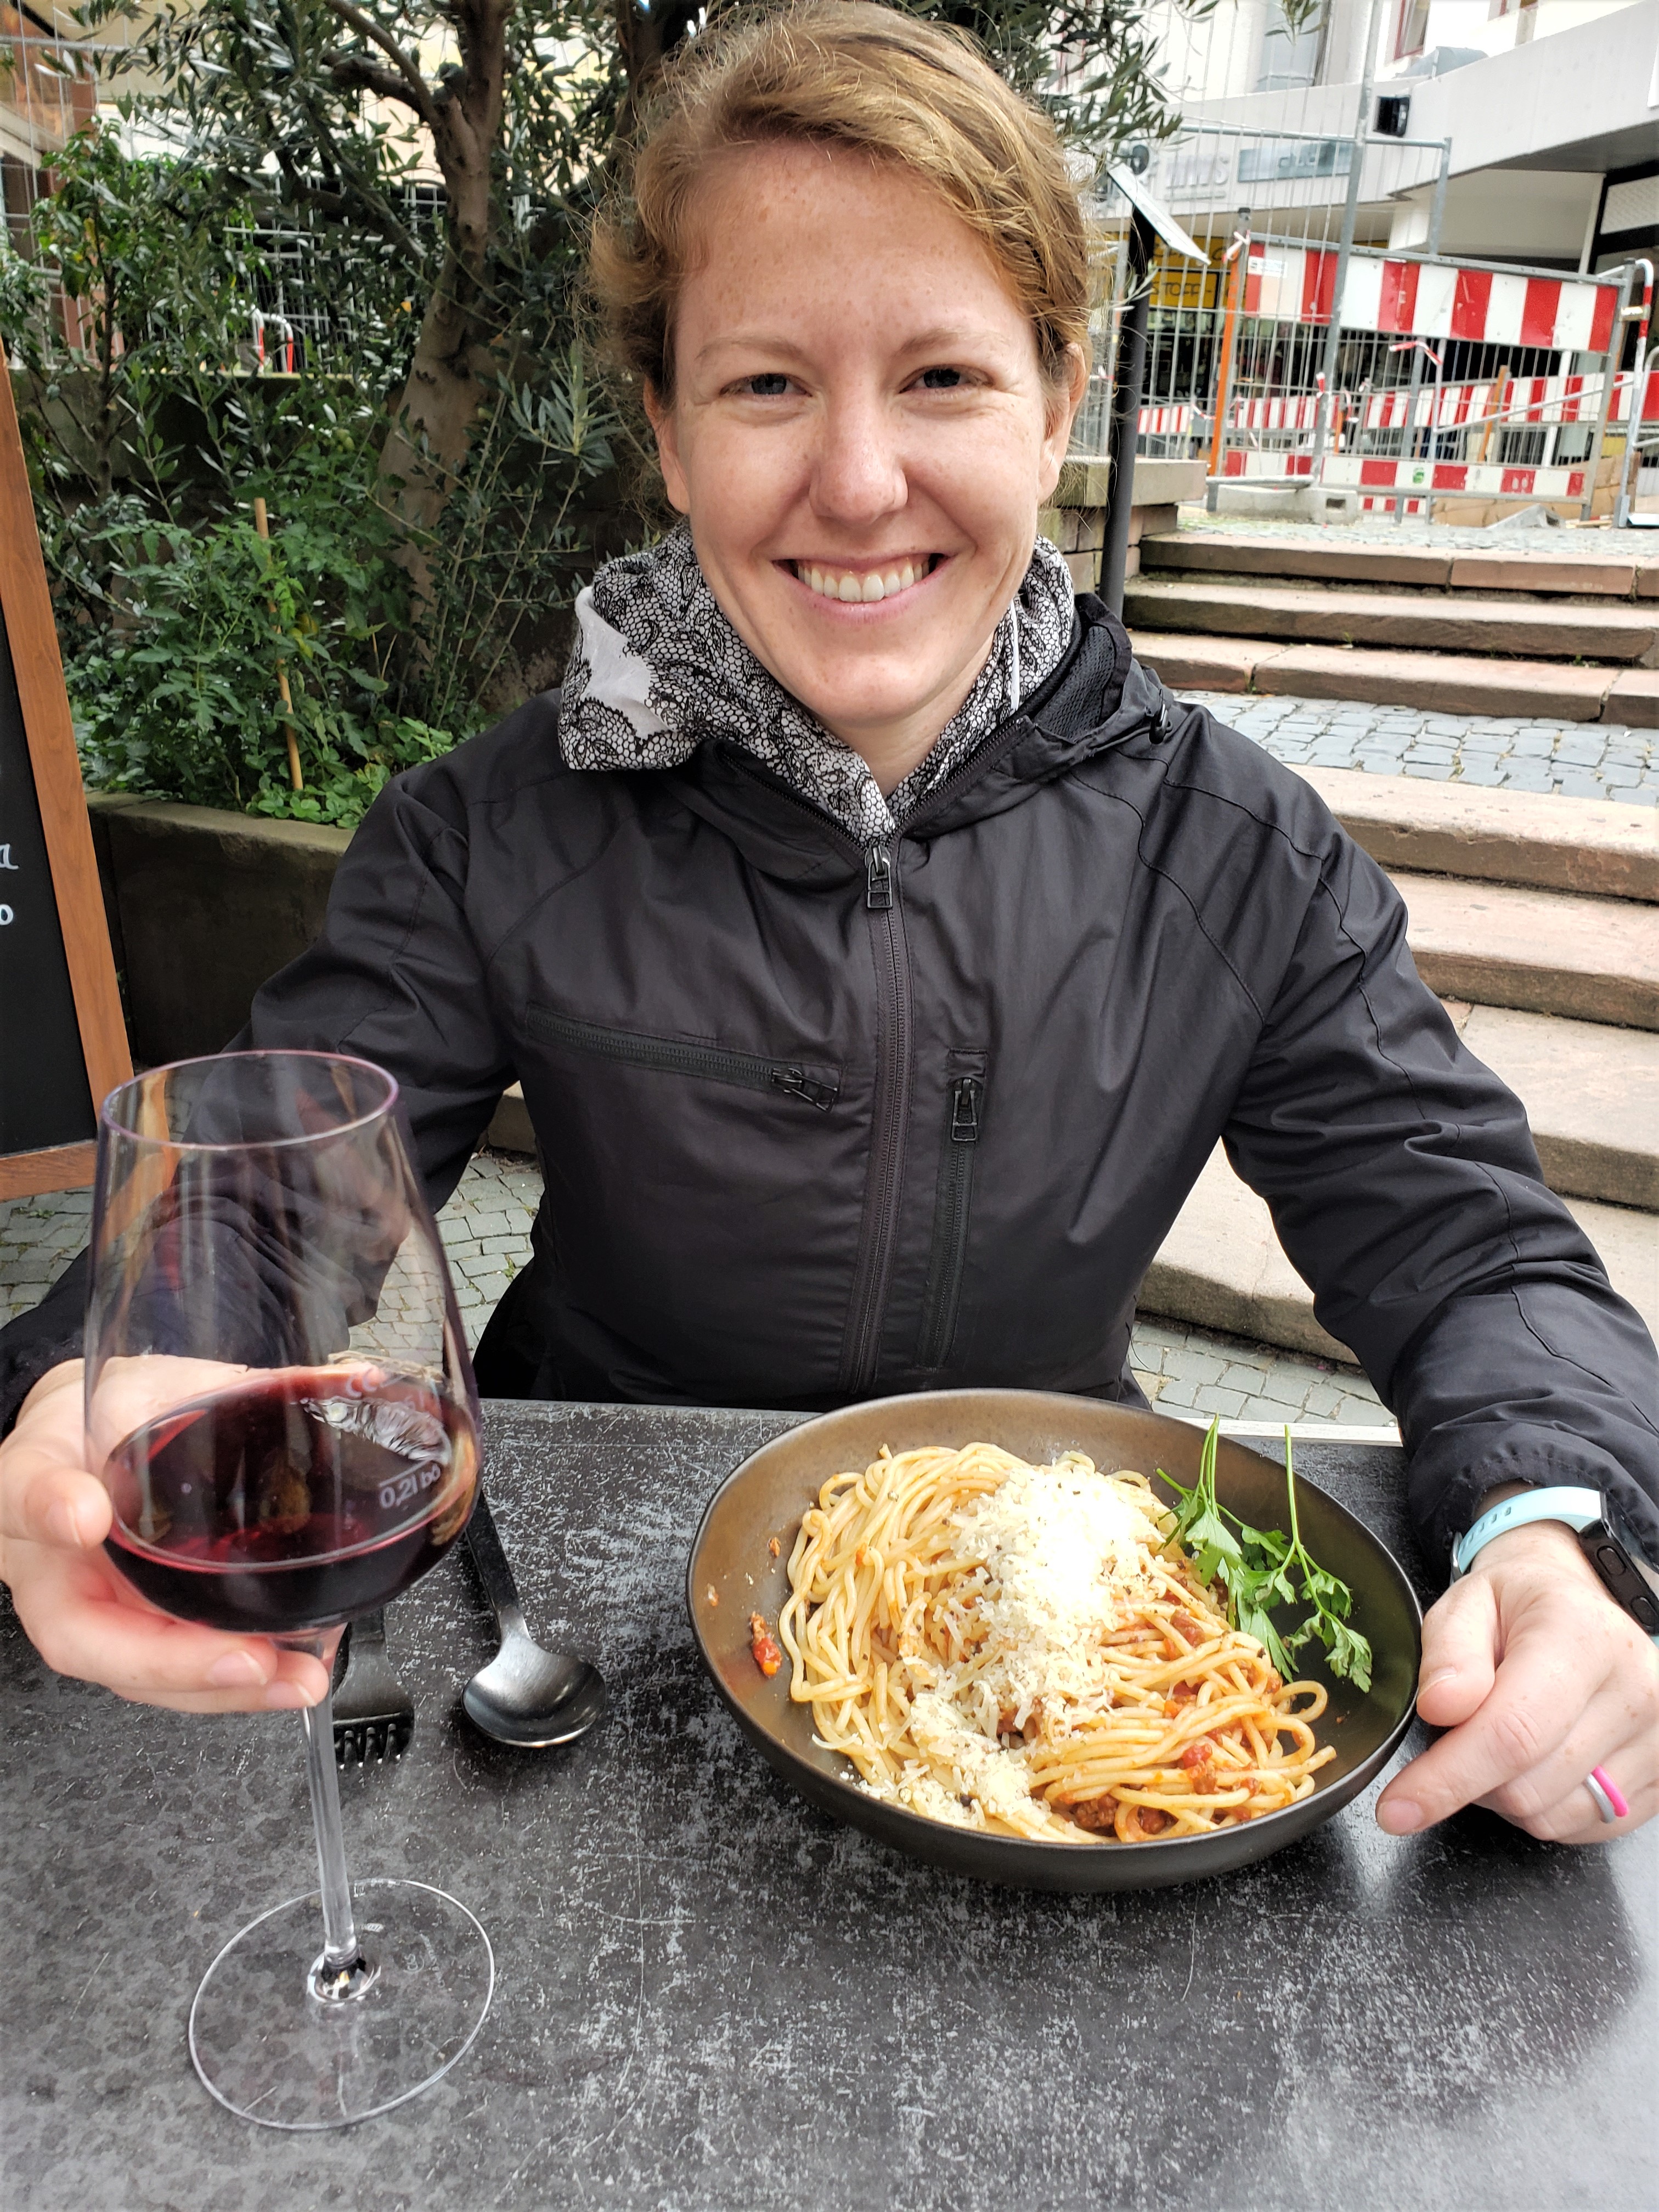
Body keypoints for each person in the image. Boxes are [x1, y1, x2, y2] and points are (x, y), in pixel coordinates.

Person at [1, 2, 1654, 1839]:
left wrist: (1557, 1531)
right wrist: (113, 1383)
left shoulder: (1237, 849)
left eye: (941, 376)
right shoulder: (488, 831)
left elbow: (1469, 1244)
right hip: (576, 1636)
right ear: (668, 429)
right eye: (768, 386)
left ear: (1057, 403)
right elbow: (267, 1199)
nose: (859, 483)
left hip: (1075, 1627)